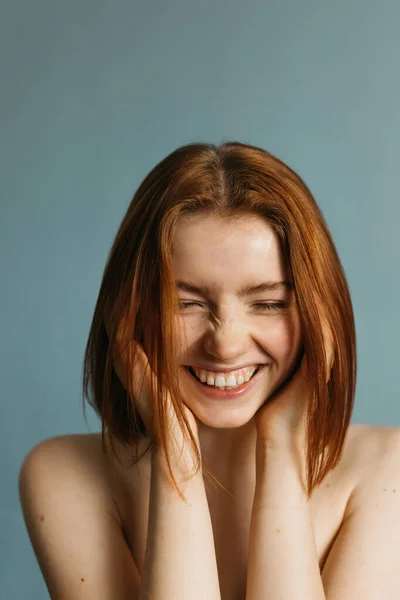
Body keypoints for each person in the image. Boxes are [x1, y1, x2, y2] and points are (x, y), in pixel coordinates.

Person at [19, 141, 400, 599]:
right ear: (129, 312)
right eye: (186, 303)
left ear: (321, 314)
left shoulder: (386, 473)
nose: (226, 343)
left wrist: (281, 450)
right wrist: (176, 457)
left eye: (269, 303)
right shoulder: (63, 475)